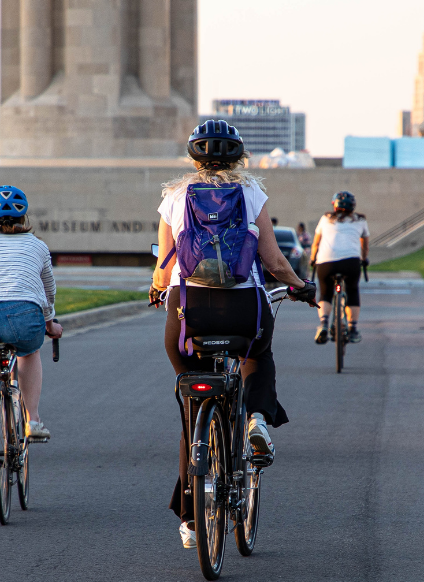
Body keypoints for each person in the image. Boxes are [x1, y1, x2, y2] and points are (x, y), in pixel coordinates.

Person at [149, 120, 316, 549]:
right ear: (239, 156)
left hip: (190, 311)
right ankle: (257, 420)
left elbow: (166, 265)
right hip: (245, 305)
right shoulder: (251, 192)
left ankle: (190, 519)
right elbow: (274, 260)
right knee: (259, 354)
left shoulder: (175, 196)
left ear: (193, 157)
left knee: (192, 409)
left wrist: (155, 289)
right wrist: (299, 286)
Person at [0, 185, 63, 491]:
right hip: (24, 314)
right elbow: (48, 290)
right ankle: (32, 420)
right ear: (23, 216)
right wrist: (50, 323)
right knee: (30, 353)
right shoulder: (37, 245)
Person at [309, 191, 369, 344]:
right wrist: (363, 259)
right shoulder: (360, 220)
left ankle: (323, 324)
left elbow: (316, 243)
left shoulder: (325, 219)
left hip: (326, 263)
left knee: (325, 293)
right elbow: (365, 245)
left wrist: (312, 258)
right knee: (352, 290)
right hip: (351, 262)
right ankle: (353, 328)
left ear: (334, 206)